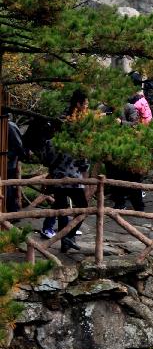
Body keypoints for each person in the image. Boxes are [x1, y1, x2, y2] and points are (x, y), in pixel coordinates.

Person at [40, 89, 91, 251]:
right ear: (79, 103)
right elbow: (83, 157)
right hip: (73, 177)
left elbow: (47, 154)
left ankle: (64, 243)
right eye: (86, 103)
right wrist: (85, 169)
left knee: (62, 210)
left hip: (57, 176)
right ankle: (68, 237)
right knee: (83, 208)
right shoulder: (78, 127)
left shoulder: (59, 123)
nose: (87, 106)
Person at [105, 103, 145, 212]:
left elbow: (136, 125)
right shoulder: (102, 108)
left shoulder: (129, 107)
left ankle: (139, 207)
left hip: (128, 148)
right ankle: (119, 203)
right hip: (111, 148)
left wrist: (121, 123)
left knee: (133, 178)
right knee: (113, 177)